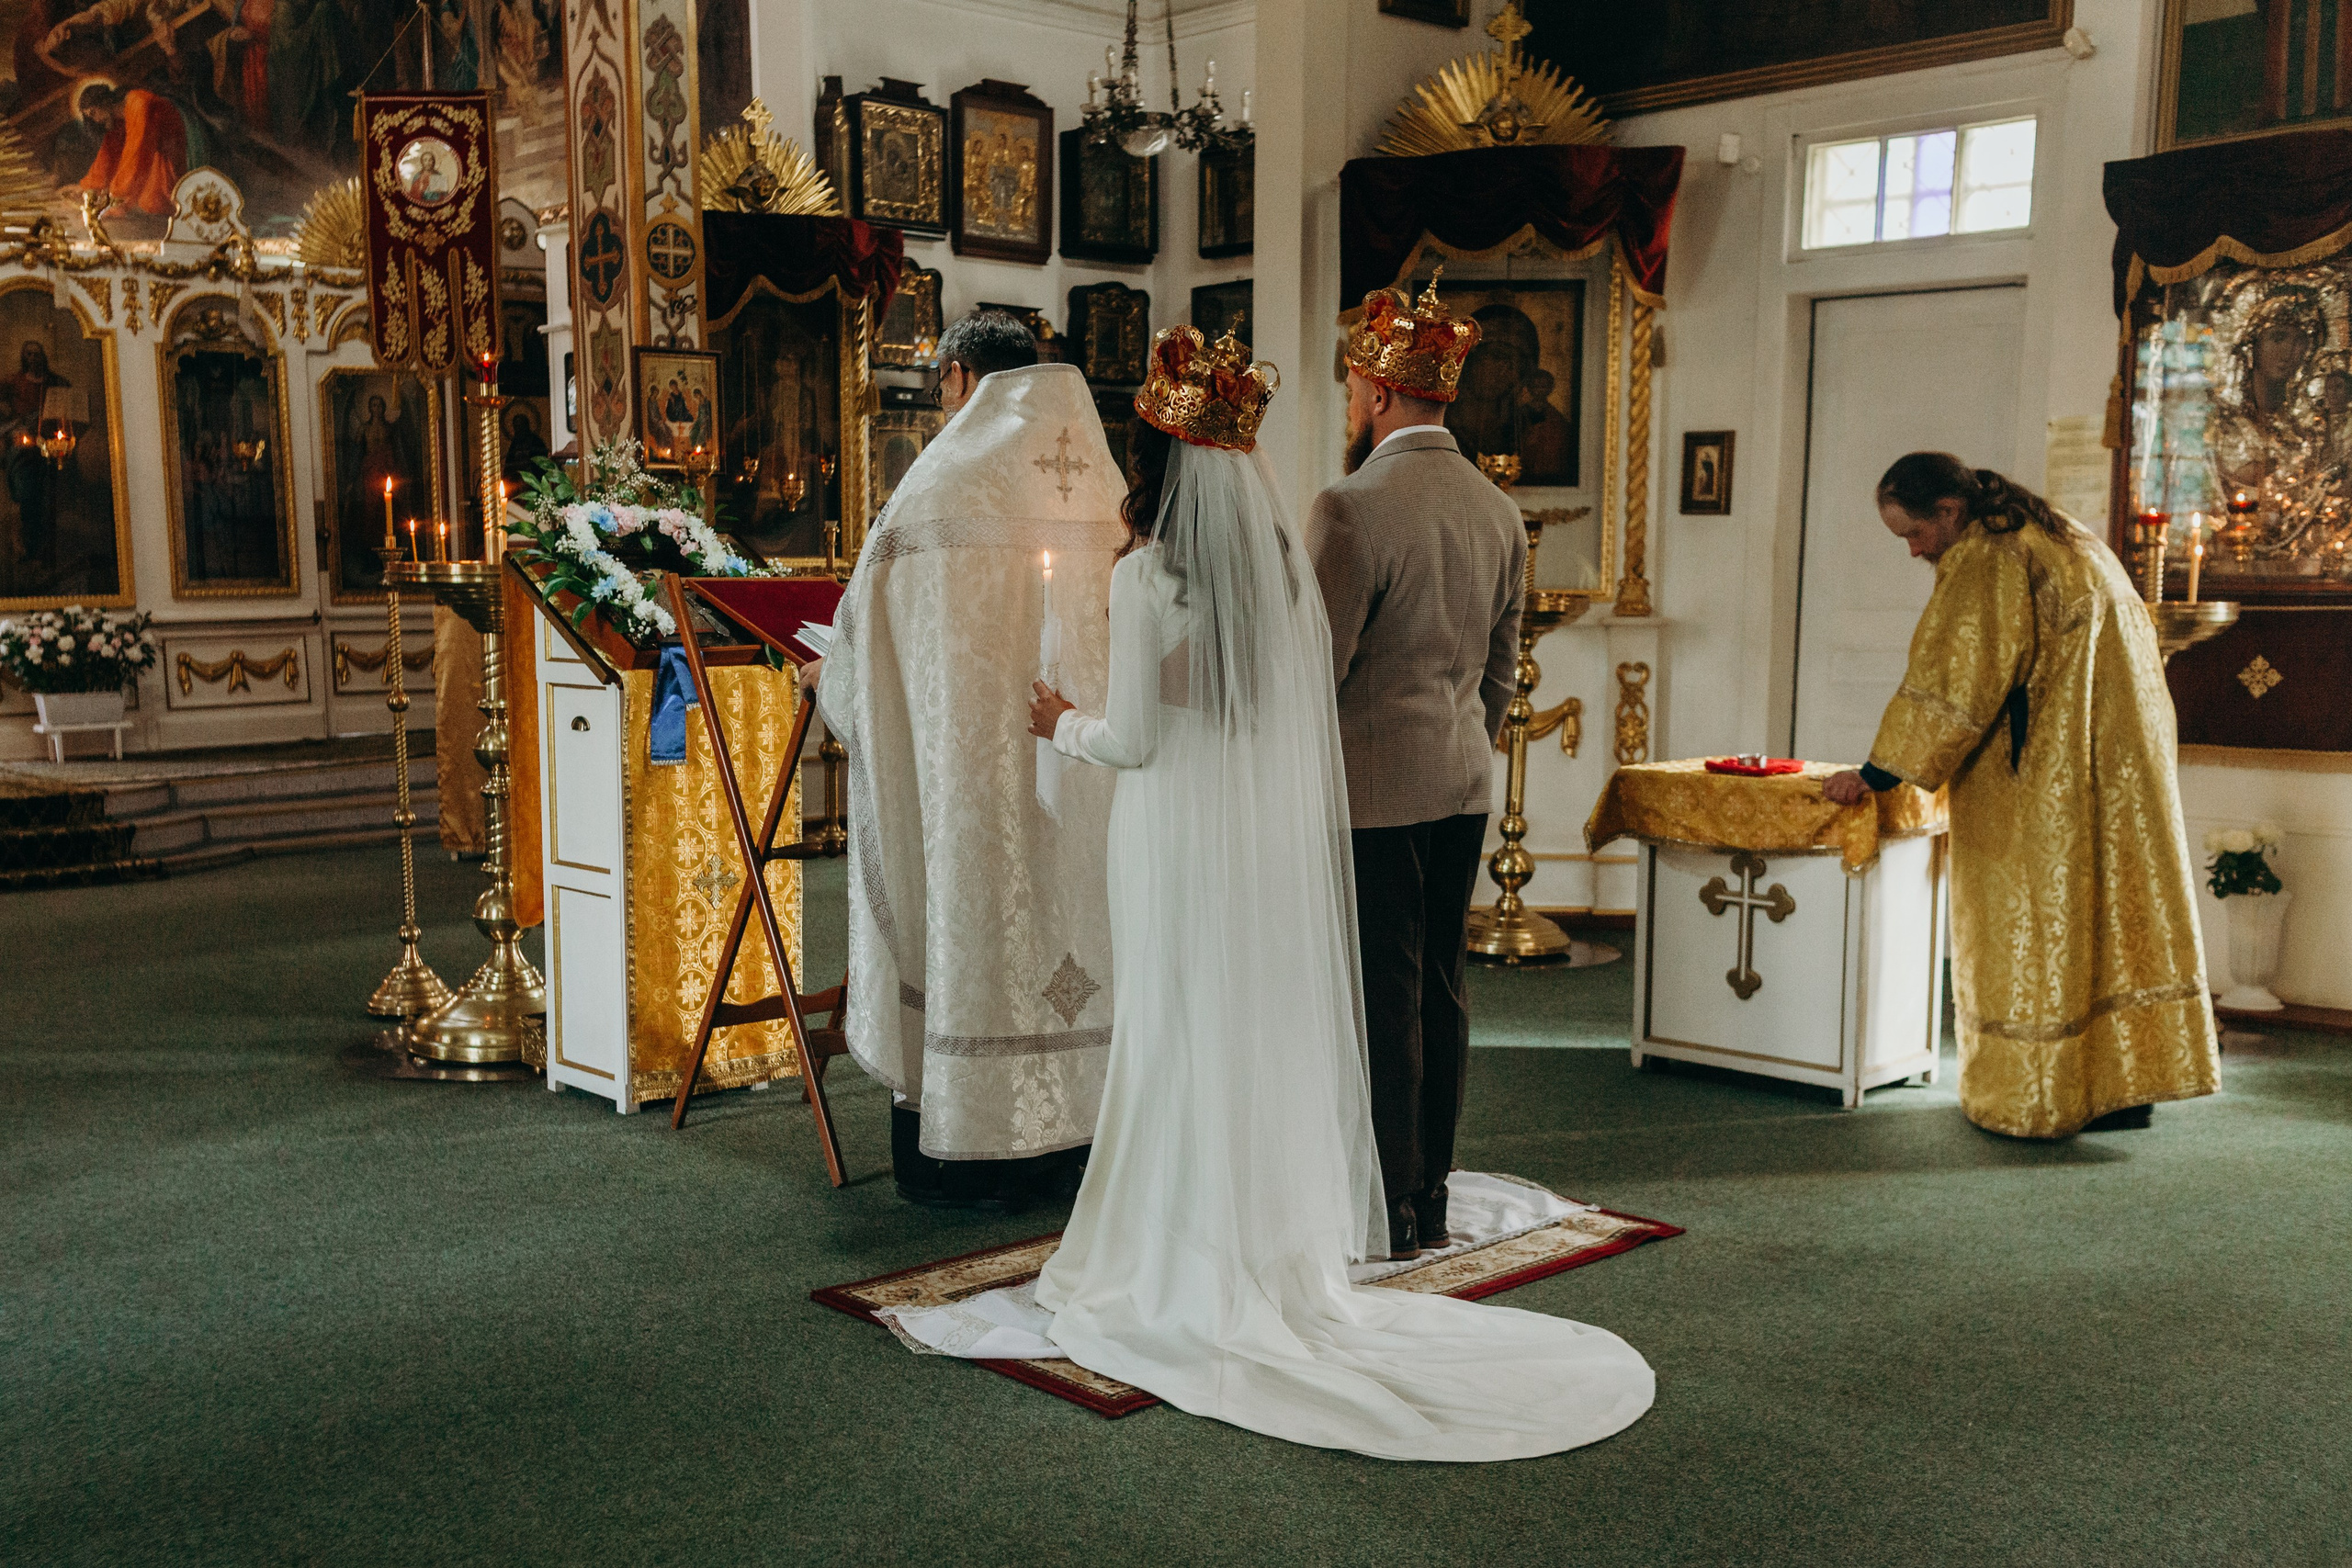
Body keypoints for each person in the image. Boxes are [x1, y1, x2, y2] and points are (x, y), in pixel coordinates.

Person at [888, 324, 1652, 1462]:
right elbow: (1317, 689)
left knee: (1186, 1025)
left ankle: (1183, 1237)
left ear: (1154, 459)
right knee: (1306, 1014)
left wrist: (1064, 723)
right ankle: (1321, 1220)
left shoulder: (1153, 569)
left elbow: (1140, 741)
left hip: (1182, 829)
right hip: (1342, 805)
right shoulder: (1302, 560)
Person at [809, 312, 1123, 1209]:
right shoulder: (1102, 480)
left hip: (969, 790)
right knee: (1075, 928)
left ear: (957, 381)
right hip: (1085, 772)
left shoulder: (940, 482)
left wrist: (828, 680)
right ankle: (1074, 1138)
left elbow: (867, 643)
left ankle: (965, 1153)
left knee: (980, 933)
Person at [1823, 453, 2220, 1138]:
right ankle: (2120, 1087)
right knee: (2109, 913)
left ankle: (2039, 1090)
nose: (1914, 549)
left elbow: (1956, 681)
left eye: (1913, 533)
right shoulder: (2060, 533)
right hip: (2121, 766)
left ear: (1948, 511)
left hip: (2045, 776)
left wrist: (1878, 771)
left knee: (2043, 920)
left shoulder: (1991, 554)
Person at [1308, 272, 1524, 1258]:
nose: (1352, 401)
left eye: (1355, 386)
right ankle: (1427, 1194)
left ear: (1381, 393)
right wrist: (1458, 736)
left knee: (1379, 997)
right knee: (1439, 986)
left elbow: (1318, 666)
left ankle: (1388, 1206)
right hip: (1461, 780)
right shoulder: (1497, 509)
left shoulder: (1352, 506)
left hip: (1369, 793)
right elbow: (1500, 668)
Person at [74, 81, 188, 217]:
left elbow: (136, 156)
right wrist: (88, 186)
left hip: (173, 148)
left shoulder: (138, 104)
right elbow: (108, 154)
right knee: (149, 202)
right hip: (155, 151)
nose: (96, 120)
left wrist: (116, 200)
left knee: (155, 203)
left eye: (93, 113)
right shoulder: (115, 118)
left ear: (104, 103)